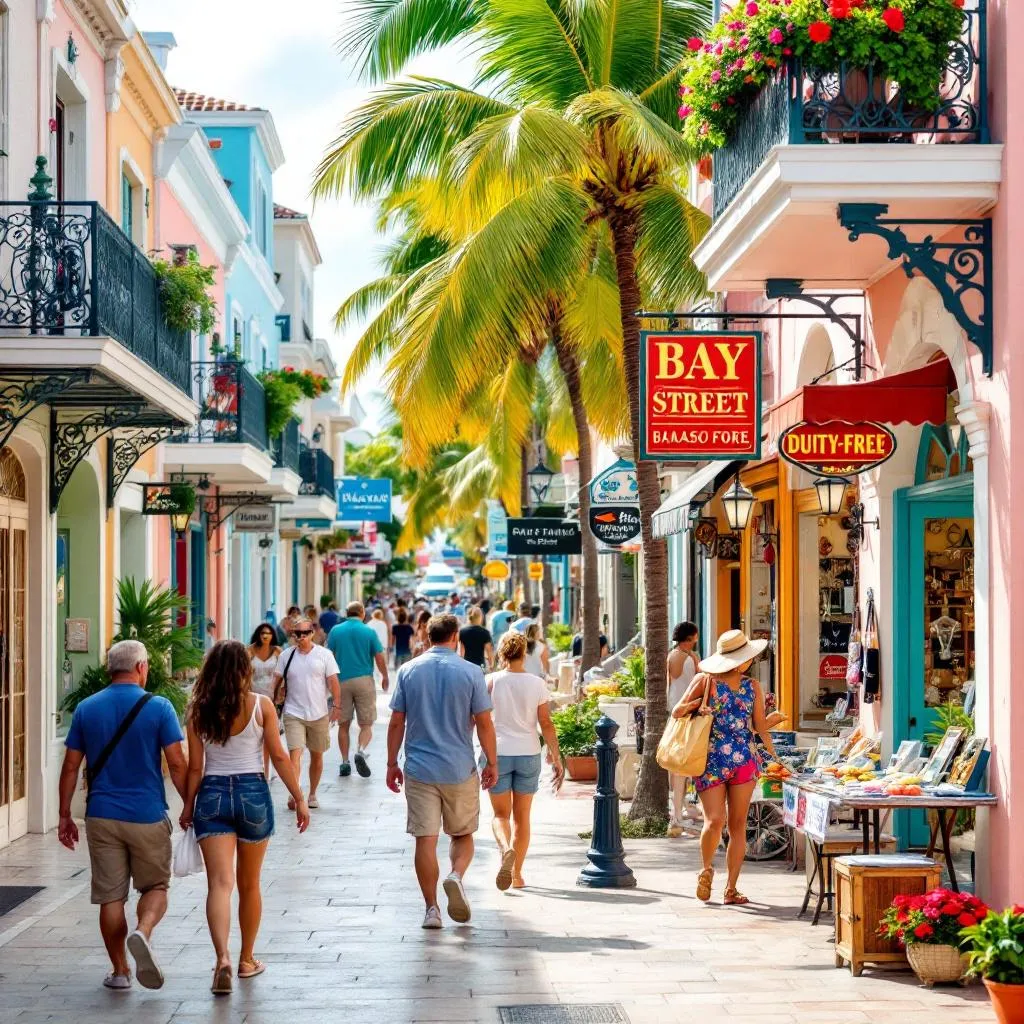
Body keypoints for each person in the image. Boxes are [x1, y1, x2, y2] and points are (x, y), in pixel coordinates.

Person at [57, 640, 188, 991]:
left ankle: (119, 972)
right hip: (147, 814)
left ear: (109, 669)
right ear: (141, 668)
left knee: (111, 897)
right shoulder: (159, 707)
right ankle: (142, 932)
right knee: (155, 886)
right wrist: (190, 805)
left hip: (102, 815)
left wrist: (64, 815)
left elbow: (71, 767)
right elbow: (177, 764)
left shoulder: (86, 708)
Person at [180, 640, 309, 995]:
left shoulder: (197, 710)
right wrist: (299, 798)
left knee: (220, 885)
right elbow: (279, 757)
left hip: (212, 795)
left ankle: (221, 958)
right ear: (244, 669)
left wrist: (188, 807)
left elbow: (195, 767)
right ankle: (246, 960)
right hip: (252, 793)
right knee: (250, 884)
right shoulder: (261, 705)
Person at [386, 615, 498, 929]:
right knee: (462, 834)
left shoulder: (408, 670)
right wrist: (492, 761)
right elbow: (485, 723)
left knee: (425, 839)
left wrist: (392, 763)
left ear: (428, 636)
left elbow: (396, 721)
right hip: (459, 767)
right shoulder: (471, 672)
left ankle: (432, 910)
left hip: (420, 769)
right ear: (455, 637)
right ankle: (456, 875)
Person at [672, 629, 779, 906]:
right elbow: (759, 727)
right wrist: (772, 751)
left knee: (716, 821)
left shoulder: (709, 680)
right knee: (734, 824)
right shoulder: (746, 686)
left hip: (716, 760)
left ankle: (710, 871)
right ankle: (727, 887)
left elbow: (677, 710)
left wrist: (699, 706)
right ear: (743, 659)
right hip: (738, 760)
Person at [486, 631, 562, 891]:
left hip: (497, 754)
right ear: (524, 654)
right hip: (528, 753)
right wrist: (556, 756)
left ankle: (505, 850)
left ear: (501, 654)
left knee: (500, 814)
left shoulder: (491, 681)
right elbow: (546, 723)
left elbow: (480, 720)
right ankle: (517, 875)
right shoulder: (537, 683)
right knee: (522, 817)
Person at [271, 618, 341, 810]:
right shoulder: (286, 656)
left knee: (317, 756)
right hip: (293, 712)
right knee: (295, 754)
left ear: (312, 633)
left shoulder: (324, 655)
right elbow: (276, 680)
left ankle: (312, 794)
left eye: (304, 633)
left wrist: (336, 706)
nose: (300, 637)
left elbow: (333, 682)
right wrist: (273, 700)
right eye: (297, 633)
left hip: (319, 713)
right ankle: (295, 793)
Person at [326, 602, 389, 778]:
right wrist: (385, 676)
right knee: (366, 724)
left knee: (343, 725)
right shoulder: (369, 631)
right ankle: (360, 751)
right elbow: (379, 657)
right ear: (362, 613)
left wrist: (327, 681)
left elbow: (327, 656)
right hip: (364, 681)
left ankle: (345, 762)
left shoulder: (335, 631)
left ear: (347, 613)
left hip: (341, 681)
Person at [666, 621, 702, 838]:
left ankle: (682, 809)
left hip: (678, 711)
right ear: (690, 638)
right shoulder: (684, 657)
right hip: (685, 713)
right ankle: (678, 813)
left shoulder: (675, 655)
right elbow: (690, 680)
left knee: (679, 766)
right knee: (682, 765)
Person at [247, 624, 282, 778]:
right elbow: (244, 674)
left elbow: (282, 675)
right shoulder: (249, 651)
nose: (265, 636)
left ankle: (266, 771)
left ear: (273, 635)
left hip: (272, 698)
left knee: (269, 735)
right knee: (255, 734)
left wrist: (280, 693)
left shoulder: (278, 651)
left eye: (268, 633)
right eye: (262, 633)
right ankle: (258, 767)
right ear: (258, 634)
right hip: (253, 697)